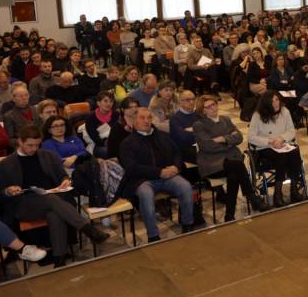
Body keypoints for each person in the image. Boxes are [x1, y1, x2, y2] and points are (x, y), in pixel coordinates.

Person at [0, 125, 109, 266]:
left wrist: (65, 181)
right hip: (24, 205)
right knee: (50, 200)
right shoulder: (5, 164)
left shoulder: (47, 155)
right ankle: (88, 229)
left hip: (51, 198)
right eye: (29, 145)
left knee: (53, 213)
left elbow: (62, 175)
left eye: (37, 145)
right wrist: (8, 190)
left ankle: (59, 259)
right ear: (20, 142)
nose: (33, 149)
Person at [119, 108, 195, 243]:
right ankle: (153, 235)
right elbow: (131, 168)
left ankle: (187, 224)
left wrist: (176, 167)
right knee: (145, 194)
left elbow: (177, 153)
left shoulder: (162, 135)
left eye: (149, 117)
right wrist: (158, 172)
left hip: (168, 175)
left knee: (185, 186)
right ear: (134, 121)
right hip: (143, 180)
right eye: (142, 118)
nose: (147, 121)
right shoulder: (127, 143)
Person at [193, 95, 267, 219]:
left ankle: (229, 214)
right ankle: (253, 197)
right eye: (209, 106)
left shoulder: (225, 119)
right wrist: (229, 141)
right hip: (212, 164)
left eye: (214, 104)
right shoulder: (199, 125)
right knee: (238, 166)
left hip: (230, 161)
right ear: (203, 110)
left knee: (234, 176)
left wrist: (223, 139)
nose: (213, 108)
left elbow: (239, 137)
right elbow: (207, 146)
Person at [248, 91, 304, 207]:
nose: (276, 103)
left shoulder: (285, 111)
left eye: (277, 100)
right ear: (266, 103)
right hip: (265, 147)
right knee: (281, 156)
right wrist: (270, 141)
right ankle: (277, 193)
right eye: (272, 101)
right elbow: (251, 137)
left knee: (295, 152)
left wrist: (281, 139)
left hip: (283, 144)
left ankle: (294, 189)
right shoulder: (257, 115)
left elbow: (291, 130)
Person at [84, 91, 118, 157]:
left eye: (111, 101)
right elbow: (96, 139)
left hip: (115, 142)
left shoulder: (116, 115)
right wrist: (108, 143)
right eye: (105, 101)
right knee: (108, 151)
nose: (109, 104)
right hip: (98, 145)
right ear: (98, 103)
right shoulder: (90, 117)